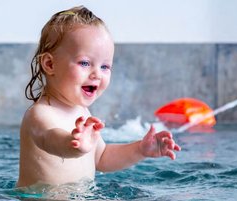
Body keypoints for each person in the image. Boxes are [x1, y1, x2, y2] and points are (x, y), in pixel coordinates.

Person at [16, 5, 181, 188]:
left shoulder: (83, 113)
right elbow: (49, 139)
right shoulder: (39, 114)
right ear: (49, 64)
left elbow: (102, 158)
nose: (97, 74)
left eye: (105, 67)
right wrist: (72, 144)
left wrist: (140, 149)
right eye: (85, 63)